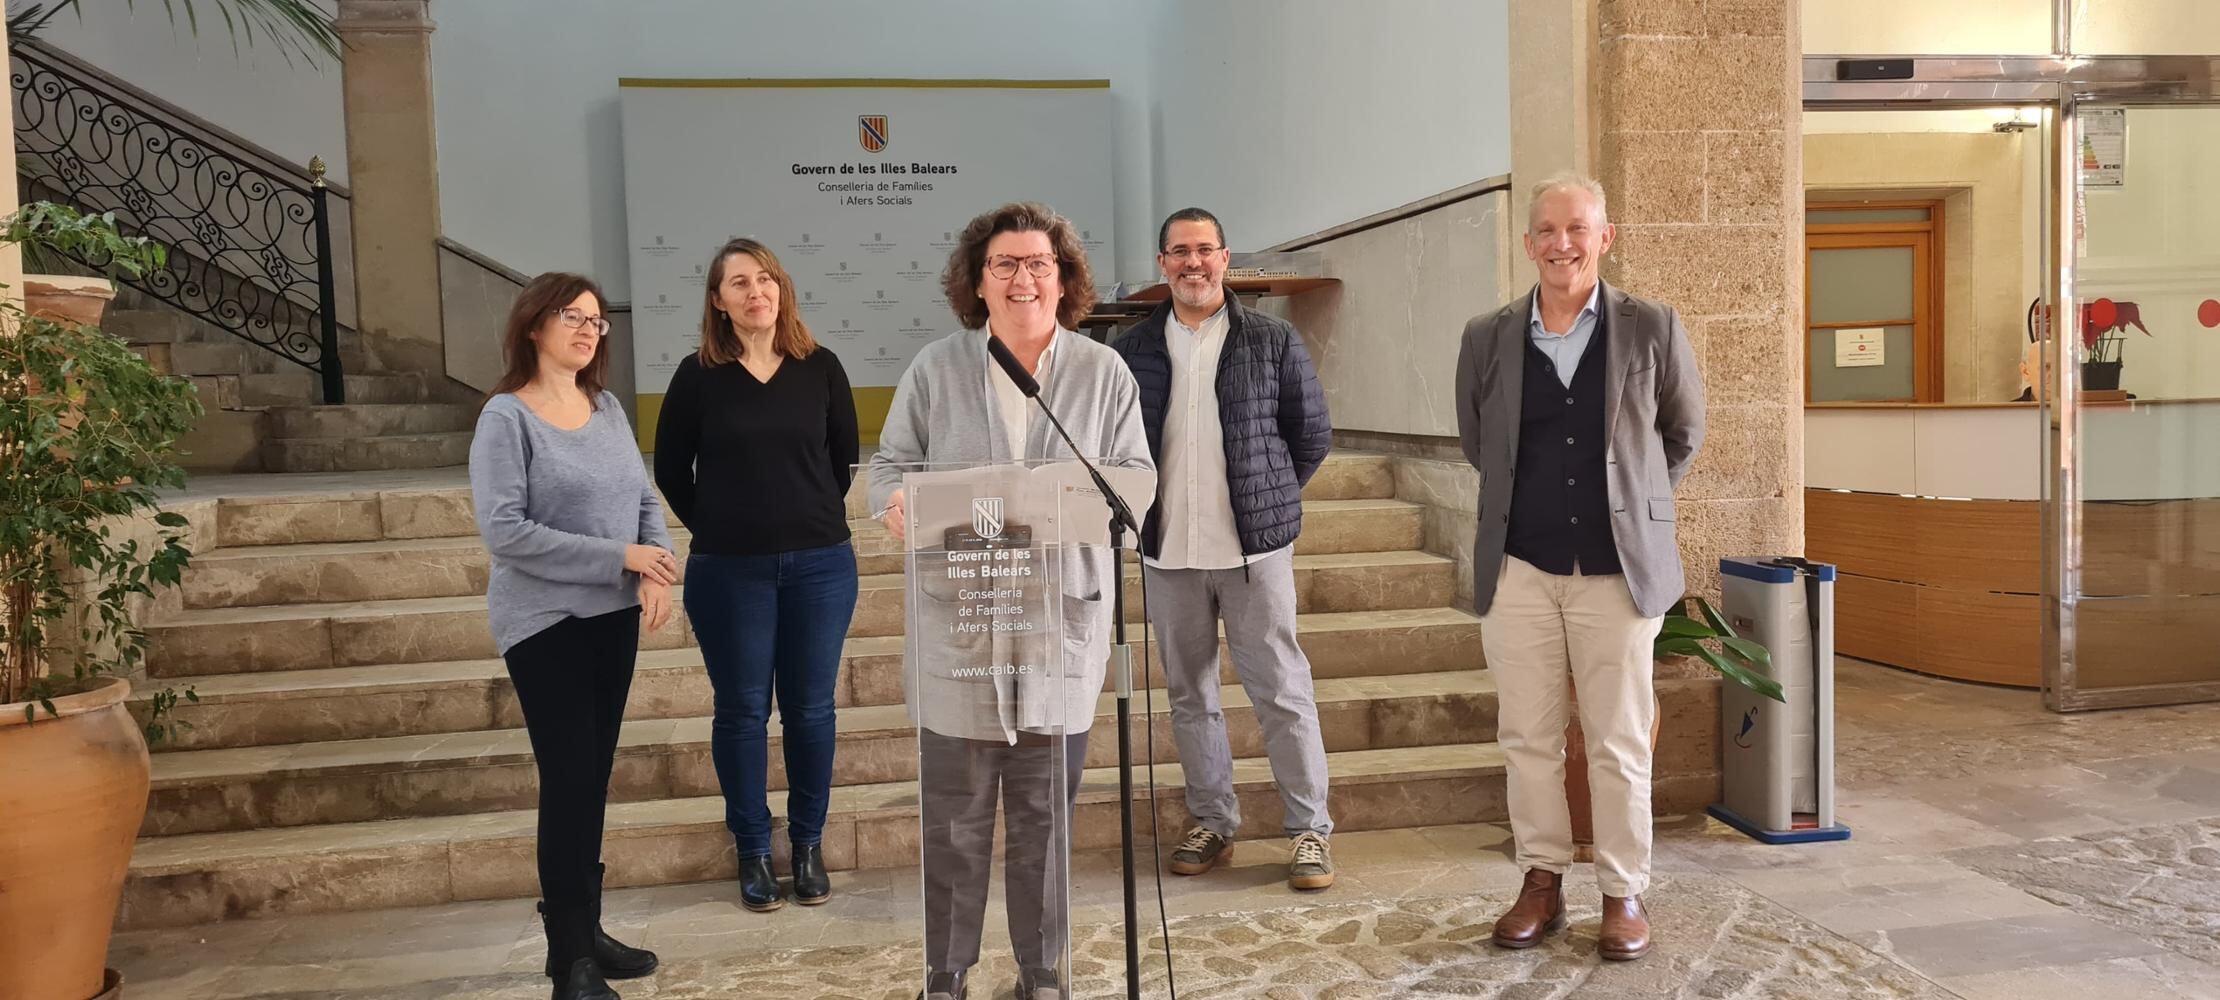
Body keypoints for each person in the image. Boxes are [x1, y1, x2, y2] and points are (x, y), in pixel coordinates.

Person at [866, 202, 1151, 1000]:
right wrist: (891, 504)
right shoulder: (935, 370)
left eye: (1039, 265)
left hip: (1059, 631)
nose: (1023, 278)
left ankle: (1043, 975)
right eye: (1006, 265)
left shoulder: (1103, 373)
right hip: (963, 628)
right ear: (977, 283)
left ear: (1064, 281)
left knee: (1046, 827)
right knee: (953, 827)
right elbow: (887, 469)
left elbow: (1136, 480)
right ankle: (946, 976)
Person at [1453, 174, 1706, 962]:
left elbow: (1682, 432)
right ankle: (1541, 882)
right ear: (1527, 244)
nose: (1562, 244)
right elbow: (1476, 441)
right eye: (1546, 231)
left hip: (1617, 572)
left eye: (1577, 229)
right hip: (1520, 568)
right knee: (1526, 737)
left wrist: (1628, 501)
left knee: (1619, 740)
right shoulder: (1487, 335)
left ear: (1606, 236)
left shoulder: (1652, 328)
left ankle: (1623, 892)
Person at [1109, 207, 1337, 890]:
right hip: (1167, 551)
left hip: (1253, 553)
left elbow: (1312, 435)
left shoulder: (1271, 339)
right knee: (1189, 695)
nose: (1193, 263)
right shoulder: (1131, 349)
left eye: (1204, 250)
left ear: (1225, 259)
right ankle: (1212, 820)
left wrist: (1269, 498)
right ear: (1162, 265)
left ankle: (1309, 831)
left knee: (1282, 691)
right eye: (1179, 252)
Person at [470, 272, 673, 1000]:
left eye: (596, 321)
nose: (588, 330)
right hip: (544, 621)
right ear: (533, 325)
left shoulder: (607, 406)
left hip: (611, 617)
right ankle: (569, 962)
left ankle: (586, 932)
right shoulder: (506, 417)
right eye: (571, 317)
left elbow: (642, 498)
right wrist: (620, 557)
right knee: (569, 780)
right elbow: (506, 531)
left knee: (593, 779)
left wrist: (653, 570)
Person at [653, 238, 861, 913]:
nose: (755, 292)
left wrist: (805, 519)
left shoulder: (820, 367)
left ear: (782, 290)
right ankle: (750, 847)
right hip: (728, 571)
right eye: (738, 283)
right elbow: (670, 470)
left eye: (765, 279)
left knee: (811, 709)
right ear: (718, 301)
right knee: (743, 711)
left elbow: (842, 461)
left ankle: (806, 845)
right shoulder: (696, 375)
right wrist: (717, 526)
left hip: (821, 566)